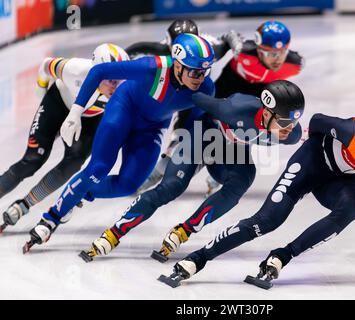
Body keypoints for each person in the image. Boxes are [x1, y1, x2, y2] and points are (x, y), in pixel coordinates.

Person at [159, 101, 355, 289]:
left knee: (350, 208)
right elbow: (317, 121)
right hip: (311, 161)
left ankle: (282, 256)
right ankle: (198, 259)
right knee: (268, 220)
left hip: (338, 177)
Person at [22, 33, 216, 253]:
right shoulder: (152, 67)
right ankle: (51, 219)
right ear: (178, 66)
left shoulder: (206, 88)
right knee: (98, 168)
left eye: (204, 72)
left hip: (151, 128)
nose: (200, 78)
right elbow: (99, 71)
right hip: (123, 109)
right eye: (195, 71)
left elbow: (195, 121)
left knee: (128, 185)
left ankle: (82, 193)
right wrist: (75, 112)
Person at [79, 80, 304, 262]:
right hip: (202, 138)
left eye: (294, 123)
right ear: (266, 114)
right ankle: (115, 231)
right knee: (171, 188)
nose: (289, 129)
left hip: (229, 152)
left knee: (244, 179)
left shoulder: (290, 135)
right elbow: (194, 97)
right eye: (284, 122)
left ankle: (185, 230)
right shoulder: (236, 109)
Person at [0, 43, 129, 233]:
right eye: (111, 80)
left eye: (120, 80)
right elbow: (46, 65)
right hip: (57, 103)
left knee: (73, 163)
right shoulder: (75, 69)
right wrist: (41, 88)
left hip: (90, 118)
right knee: (33, 159)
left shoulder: (123, 85)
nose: (116, 86)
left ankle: (25, 204)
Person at [128, 19, 244, 196]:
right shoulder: (160, 51)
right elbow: (135, 51)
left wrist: (236, 43)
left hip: (195, 98)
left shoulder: (210, 48)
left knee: (188, 139)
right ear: (170, 46)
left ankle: (215, 172)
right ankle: (154, 175)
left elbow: (229, 37)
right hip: (171, 96)